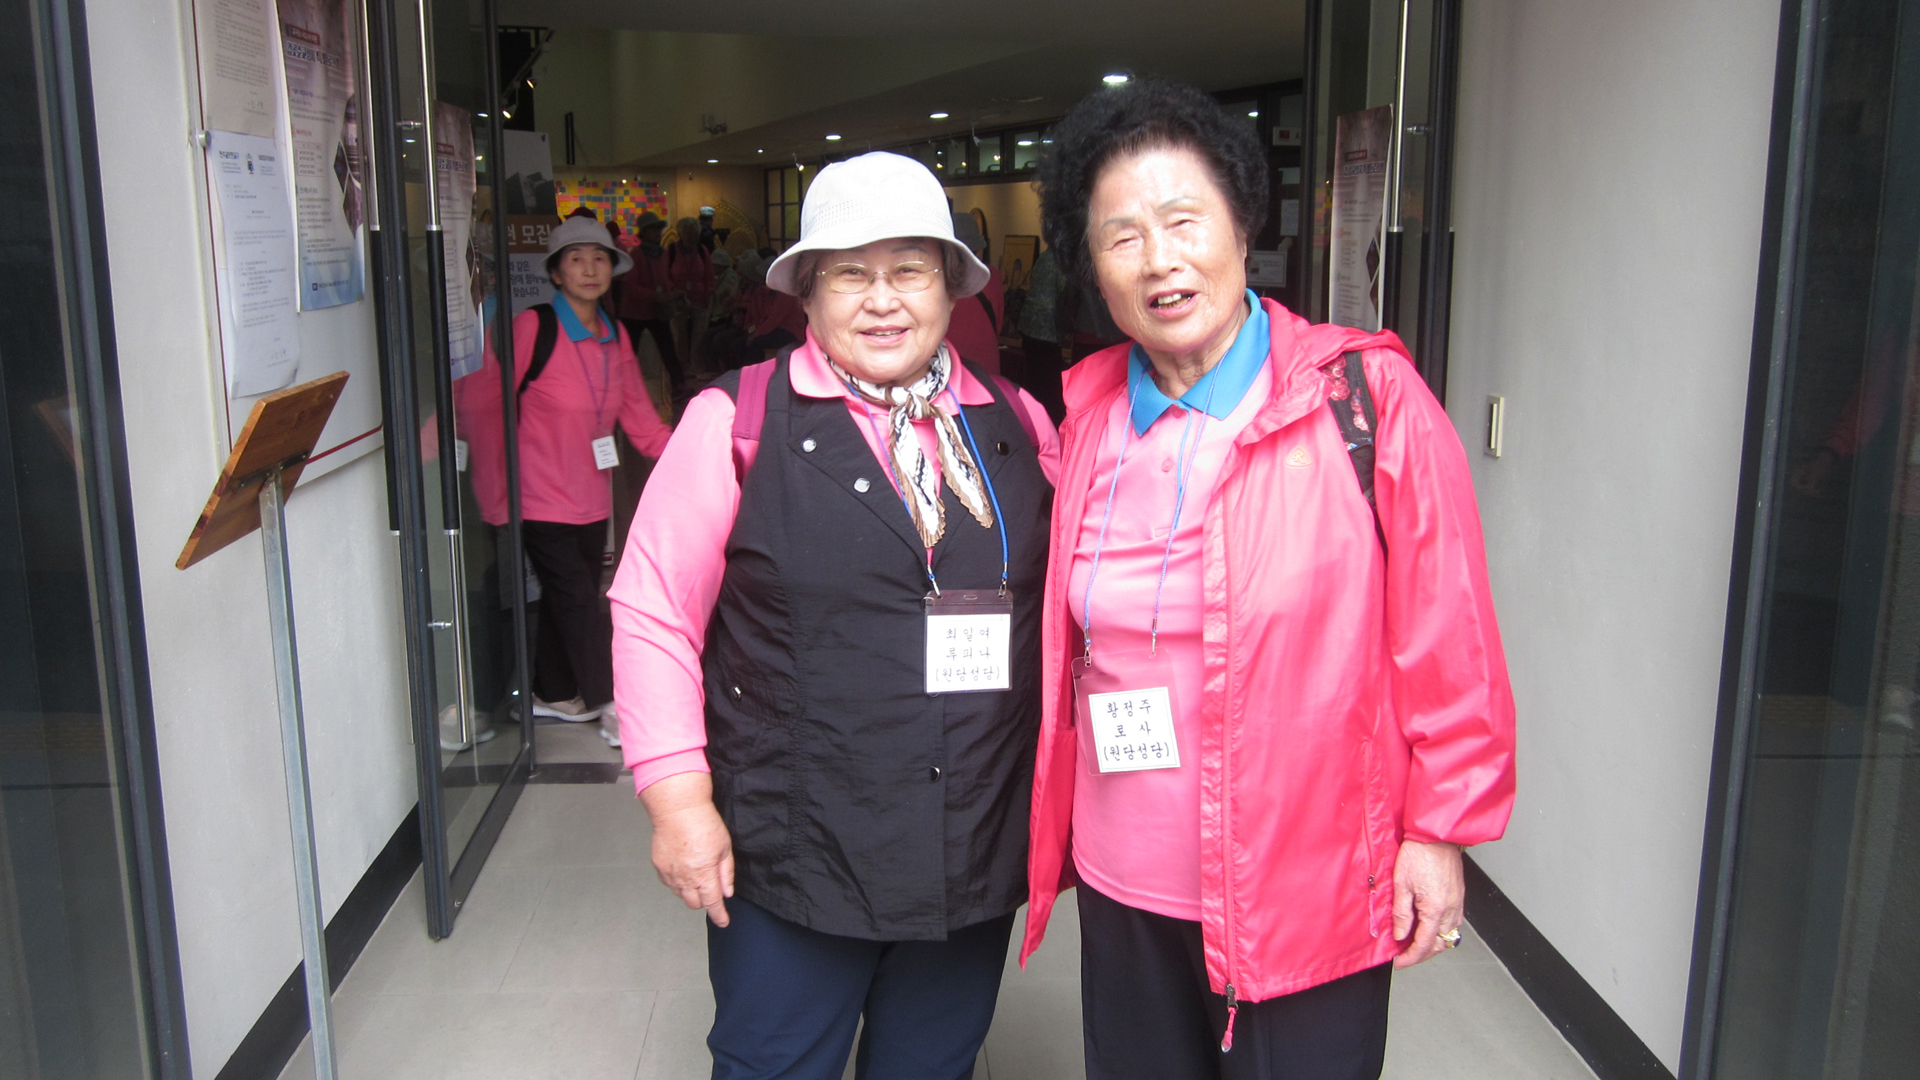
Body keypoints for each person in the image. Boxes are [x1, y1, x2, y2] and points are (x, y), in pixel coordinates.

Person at [1021, 78, 1516, 1080]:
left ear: (1243, 225)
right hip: (1124, 876)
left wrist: (1440, 833)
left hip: (1308, 879)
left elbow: (1449, 636)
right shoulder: (1089, 421)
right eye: (1122, 237)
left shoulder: (1364, 400)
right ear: (1092, 269)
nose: (1160, 259)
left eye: (1184, 221)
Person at [608, 150, 1060, 1080]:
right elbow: (653, 613)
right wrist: (679, 803)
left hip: (971, 836)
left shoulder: (1019, 422)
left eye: (910, 270)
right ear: (808, 295)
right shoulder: (736, 420)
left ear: (951, 288)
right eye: (851, 273)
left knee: (930, 1066)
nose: (882, 300)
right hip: (797, 843)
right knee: (776, 1064)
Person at [458, 216, 674, 749]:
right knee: (579, 601)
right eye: (576, 259)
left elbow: (638, 416)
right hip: (537, 497)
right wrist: (488, 487)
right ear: (556, 273)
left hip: (590, 496)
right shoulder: (532, 328)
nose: (589, 269)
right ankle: (613, 705)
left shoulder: (614, 335)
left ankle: (551, 691)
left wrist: (694, 455)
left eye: (599, 258)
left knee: (565, 598)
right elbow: (483, 403)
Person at [616, 211, 686, 391]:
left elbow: (664, 278)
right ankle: (622, 388)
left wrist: (671, 290)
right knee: (628, 353)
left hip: (656, 311)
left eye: (658, 229)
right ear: (644, 232)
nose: (657, 232)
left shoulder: (662, 254)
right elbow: (630, 285)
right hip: (634, 313)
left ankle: (679, 384)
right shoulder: (637, 255)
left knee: (668, 350)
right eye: (653, 229)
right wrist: (655, 295)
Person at [945, 211, 1005, 375]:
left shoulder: (943, 279)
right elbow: (999, 324)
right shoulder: (994, 276)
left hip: (953, 366)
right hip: (987, 365)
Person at [1014, 246, 1067, 422]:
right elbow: (1065, 294)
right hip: (1048, 330)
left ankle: (1033, 424)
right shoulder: (1062, 261)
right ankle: (1049, 428)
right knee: (1051, 389)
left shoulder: (1044, 257)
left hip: (1029, 326)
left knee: (1034, 385)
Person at [670, 215, 717, 374]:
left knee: (700, 334)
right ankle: (680, 367)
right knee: (678, 335)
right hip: (678, 299)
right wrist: (673, 291)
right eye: (688, 233)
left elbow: (709, 275)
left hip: (700, 297)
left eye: (694, 233)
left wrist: (708, 294)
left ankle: (696, 365)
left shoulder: (702, 251)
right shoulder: (671, 251)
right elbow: (664, 276)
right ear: (681, 234)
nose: (692, 237)